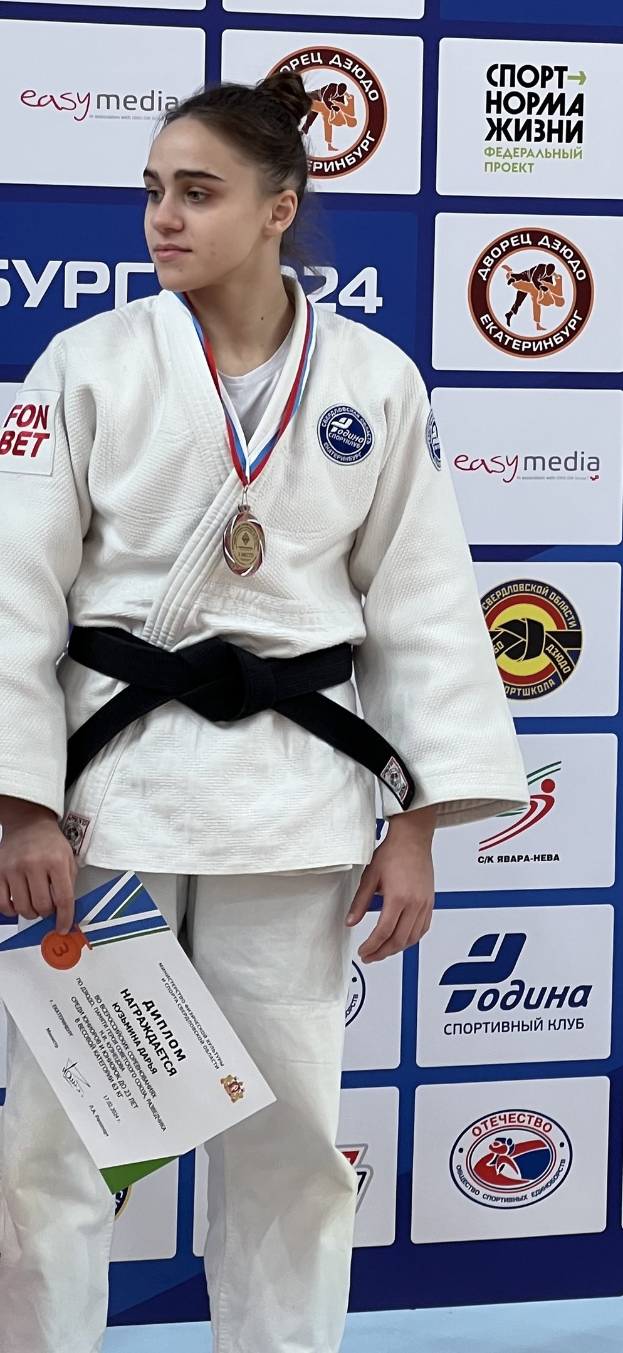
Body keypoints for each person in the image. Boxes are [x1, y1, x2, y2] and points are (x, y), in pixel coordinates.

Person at [0, 72, 528, 1353]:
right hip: (107, 794)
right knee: (56, 1148)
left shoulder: (371, 379)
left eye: (199, 192)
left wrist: (417, 824)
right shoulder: (87, 363)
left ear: (279, 208)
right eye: (153, 192)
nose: (163, 218)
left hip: (292, 800)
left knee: (293, 1142)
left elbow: (419, 607)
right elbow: (13, 585)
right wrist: (19, 801)